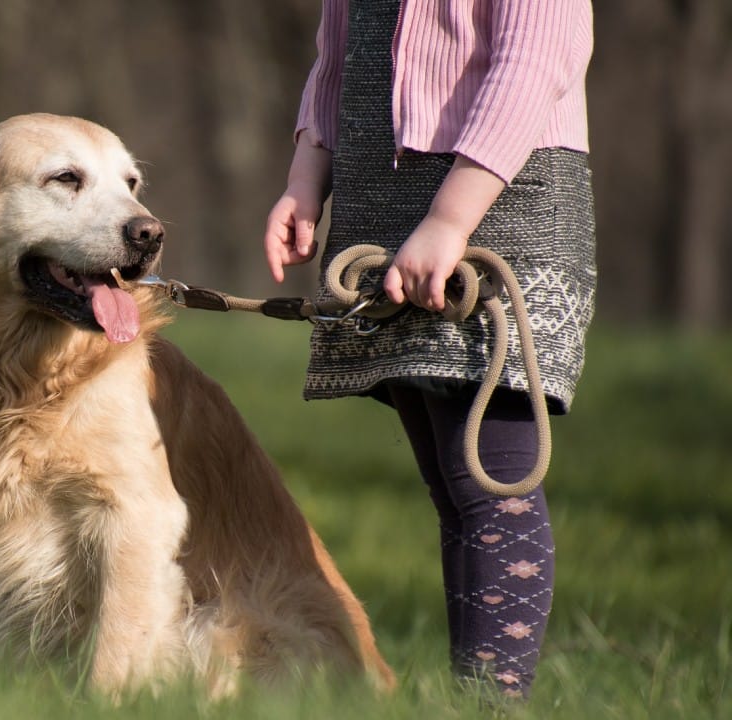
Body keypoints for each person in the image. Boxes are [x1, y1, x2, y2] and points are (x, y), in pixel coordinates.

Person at [263, 0, 595, 700]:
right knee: (453, 486)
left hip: (500, 199)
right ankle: (473, 697)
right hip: (386, 200)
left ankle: (492, 706)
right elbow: (337, 60)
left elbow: (536, 62)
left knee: (490, 483)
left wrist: (449, 220)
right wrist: (304, 181)